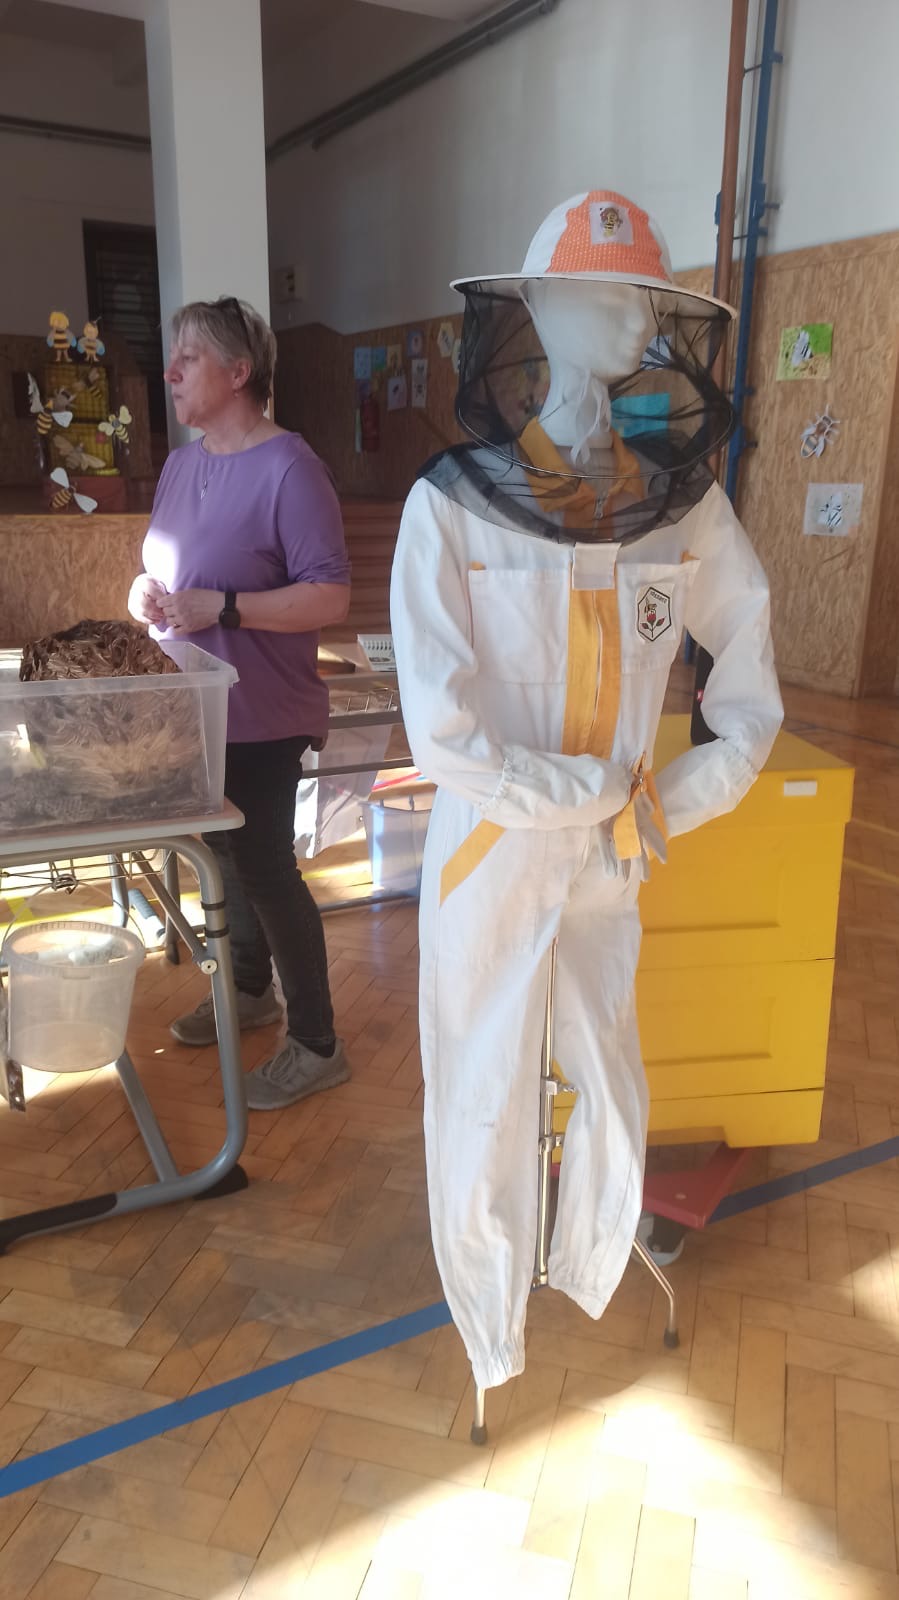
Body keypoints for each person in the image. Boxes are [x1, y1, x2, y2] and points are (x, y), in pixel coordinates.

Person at [390, 189, 784, 1391]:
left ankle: (589, 1263)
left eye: (647, 299)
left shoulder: (681, 511)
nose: (635, 319)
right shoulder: (449, 509)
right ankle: (491, 1331)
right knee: (481, 1089)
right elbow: (444, 735)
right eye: (604, 292)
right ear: (537, 306)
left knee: (608, 1068)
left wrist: (670, 798)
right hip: (491, 856)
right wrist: (592, 790)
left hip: (613, 855)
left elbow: (748, 689)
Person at [129, 295, 351, 1111]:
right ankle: (251, 991)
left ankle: (318, 1042)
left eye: (187, 357)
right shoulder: (182, 465)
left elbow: (328, 596)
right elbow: (165, 566)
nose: (170, 372)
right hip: (191, 708)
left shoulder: (291, 469)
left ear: (238, 372)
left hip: (262, 712)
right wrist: (144, 592)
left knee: (262, 865)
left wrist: (222, 607)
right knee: (222, 855)